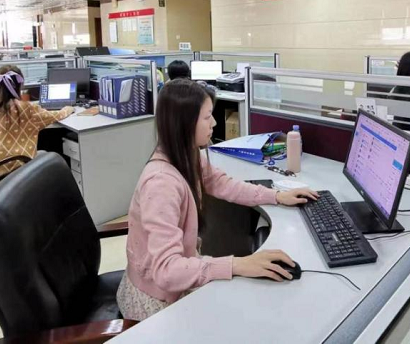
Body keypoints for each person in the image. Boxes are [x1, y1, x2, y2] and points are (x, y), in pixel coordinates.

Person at [117, 79, 318, 320]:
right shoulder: (161, 184)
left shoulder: (186, 156)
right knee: (247, 311)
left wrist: (276, 196)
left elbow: (224, 185)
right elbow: (167, 271)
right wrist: (237, 264)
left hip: (176, 280)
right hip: (155, 300)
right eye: (207, 117)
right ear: (184, 124)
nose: (213, 123)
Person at [0, 65, 74, 178]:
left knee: (41, 154)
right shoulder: (26, 108)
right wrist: (68, 109)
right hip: (14, 167)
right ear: (20, 85)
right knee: (49, 156)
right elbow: (55, 116)